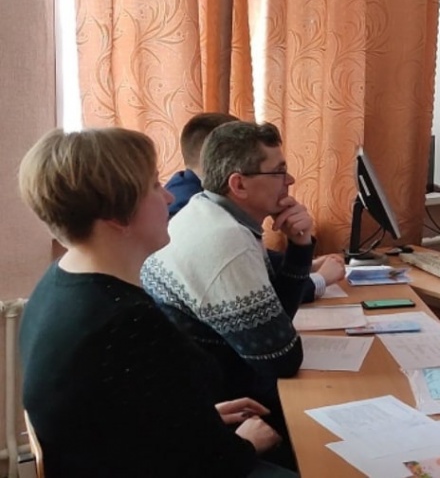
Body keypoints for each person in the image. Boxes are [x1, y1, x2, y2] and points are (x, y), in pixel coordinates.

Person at [17, 128, 295, 478]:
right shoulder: (127, 322)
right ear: (117, 216)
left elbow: (112, 410)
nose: (168, 196)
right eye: (154, 185)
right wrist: (247, 443)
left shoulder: (57, 282)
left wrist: (197, 415)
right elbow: (213, 463)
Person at [141, 121, 313, 468]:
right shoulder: (225, 239)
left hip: (208, 395)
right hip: (220, 413)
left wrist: (300, 245)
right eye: (279, 172)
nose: (290, 180)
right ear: (239, 184)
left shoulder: (207, 209)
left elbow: (278, 321)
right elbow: (282, 359)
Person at [168, 113, 344, 302]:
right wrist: (319, 278)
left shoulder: (208, 203)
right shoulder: (202, 219)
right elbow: (265, 303)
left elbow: (267, 301)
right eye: (278, 172)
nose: (290, 180)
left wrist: (302, 254)